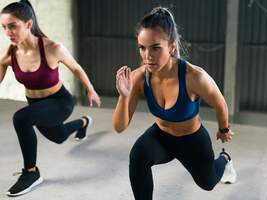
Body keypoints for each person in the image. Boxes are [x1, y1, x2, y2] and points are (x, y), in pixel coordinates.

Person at [112, 6, 237, 200]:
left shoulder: (194, 77)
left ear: (171, 46)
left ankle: (225, 159)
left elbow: (220, 104)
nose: (147, 56)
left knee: (208, 183)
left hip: (192, 139)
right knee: (138, 156)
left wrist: (223, 129)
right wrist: (124, 95)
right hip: (162, 137)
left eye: (155, 47)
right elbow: (119, 127)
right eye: (142, 48)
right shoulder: (137, 78)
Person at [0, 0, 101, 197]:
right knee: (59, 136)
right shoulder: (8, 55)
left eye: (13, 26)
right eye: (4, 27)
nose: (7, 32)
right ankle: (83, 122)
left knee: (21, 118)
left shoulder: (52, 48)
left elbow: (76, 68)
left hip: (60, 102)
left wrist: (90, 90)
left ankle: (31, 173)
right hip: (36, 104)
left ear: (28, 24)